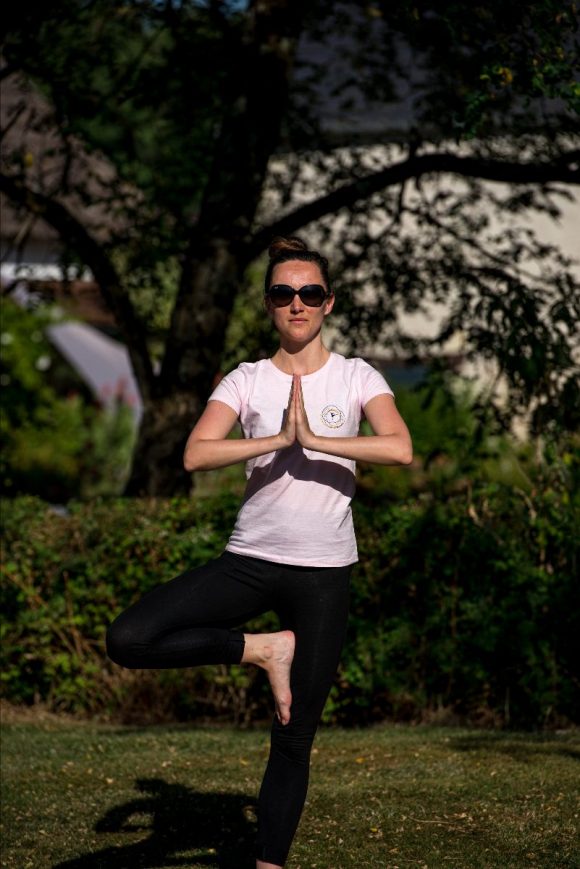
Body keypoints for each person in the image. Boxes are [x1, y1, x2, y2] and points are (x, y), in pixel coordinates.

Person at [106, 236, 412, 868]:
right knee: (129, 638)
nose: (295, 303)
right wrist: (276, 438)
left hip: (324, 575)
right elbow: (196, 453)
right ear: (269, 305)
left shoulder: (357, 377)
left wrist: (318, 439)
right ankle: (260, 648)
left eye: (308, 293)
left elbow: (399, 448)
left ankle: (269, 863)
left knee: (294, 737)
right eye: (282, 293)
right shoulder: (245, 380)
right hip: (249, 561)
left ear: (328, 303)